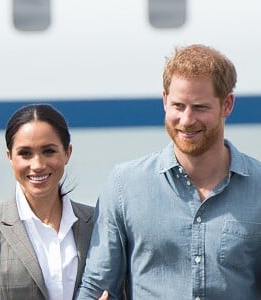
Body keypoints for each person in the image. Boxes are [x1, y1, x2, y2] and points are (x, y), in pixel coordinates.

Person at [75, 44, 261, 299]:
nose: (186, 119)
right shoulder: (124, 186)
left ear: (227, 104)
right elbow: (97, 287)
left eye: (200, 107)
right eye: (178, 105)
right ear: (164, 101)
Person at [0, 104, 108, 300]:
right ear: (10, 158)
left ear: (67, 153)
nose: (37, 165)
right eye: (25, 153)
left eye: (48, 151)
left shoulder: (100, 223)